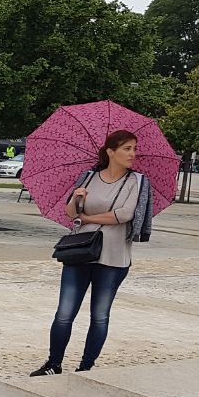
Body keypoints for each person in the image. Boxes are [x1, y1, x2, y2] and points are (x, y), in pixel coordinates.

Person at [31, 129, 151, 377]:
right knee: (64, 313)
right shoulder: (88, 177)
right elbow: (70, 214)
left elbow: (124, 215)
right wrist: (76, 199)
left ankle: (86, 366)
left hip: (114, 257)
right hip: (80, 253)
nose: (132, 154)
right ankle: (53, 364)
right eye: (127, 149)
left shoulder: (136, 181)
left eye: (134, 149)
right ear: (111, 151)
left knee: (99, 315)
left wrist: (88, 218)